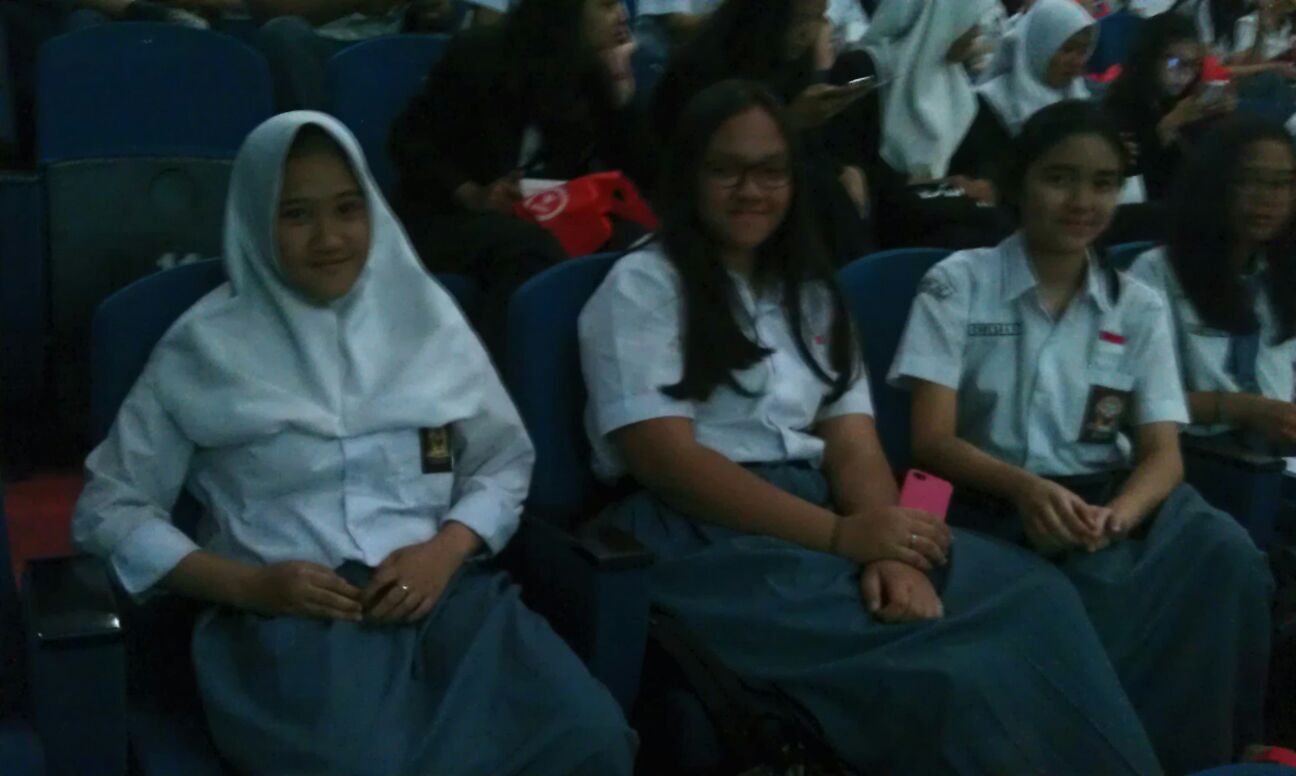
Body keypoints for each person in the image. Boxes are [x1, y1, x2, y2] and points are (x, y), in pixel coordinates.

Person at [581, 78, 1166, 775]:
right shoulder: (643, 286)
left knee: (1041, 599)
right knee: (950, 670)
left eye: (771, 170)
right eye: (726, 170)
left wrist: (890, 548)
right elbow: (666, 461)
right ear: (688, 176)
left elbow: (853, 439)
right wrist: (842, 538)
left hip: (828, 508)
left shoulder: (809, 290)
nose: (752, 190)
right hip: (708, 529)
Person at [71, 111, 636, 776]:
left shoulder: (425, 320)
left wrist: (446, 549)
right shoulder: (203, 347)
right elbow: (109, 509)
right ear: (254, 219)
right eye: (296, 215)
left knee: (590, 736)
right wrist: (248, 586)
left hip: (444, 597)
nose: (330, 238)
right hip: (289, 621)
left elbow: (502, 458)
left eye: (347, 208)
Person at [890, 99, 1273, 774]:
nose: (1082, 202)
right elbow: (931, 441)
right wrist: (1025, 489)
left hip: (1102, 499)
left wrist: (1118, 516)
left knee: (1228, 553)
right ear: (1019, 182)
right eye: (1059, 178)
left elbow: (1162, 456)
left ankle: (1203, 757)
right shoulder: (958, 284)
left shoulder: (1136, 305)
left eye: (1103, 183)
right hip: (980, 494)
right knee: (1066, 596)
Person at [390, 0, 644, 351]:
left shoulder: (591, 70)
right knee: (529, 248)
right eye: (606, 5)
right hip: (448, 214)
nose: (622, 15)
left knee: (635, 236)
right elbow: (407, 141)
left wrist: (621, 97)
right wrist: (472, 193)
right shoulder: (479, 54)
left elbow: (636, 173)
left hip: (538, 213)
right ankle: (505, 375)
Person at [650, 0, 874, 264]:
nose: (807, 33)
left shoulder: (794, 65)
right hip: (712, 202)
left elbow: (810, 150)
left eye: (818, 19)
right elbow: (712, 156)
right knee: (820, 192)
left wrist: (843, 168)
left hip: (781, 189)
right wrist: (791, 121)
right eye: (799, 20)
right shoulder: (698, 68)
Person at [1129, 116, 1296, 454]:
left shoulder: (1283, 273)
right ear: (1213, 183)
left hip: (1279, 455)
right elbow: (1132, 403)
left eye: (1282, 184)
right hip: (1196, 455)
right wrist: (1248, 409)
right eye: (1249, 181)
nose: (1267, 198)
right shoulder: (1156, 272)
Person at [828, 0, 1014, 249]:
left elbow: (978, 161)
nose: (975, 32)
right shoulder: (860, 70)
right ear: (941, 20)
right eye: (970, 22)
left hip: (944, 212)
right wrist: (930, 185)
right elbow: (845, 161)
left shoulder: (954, 82)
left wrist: (980, 184)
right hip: (885, 216)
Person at [1105, 11, 1235, 200]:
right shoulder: (1120, 106)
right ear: (1149, 57)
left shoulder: (1182, 101)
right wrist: (1167, 127)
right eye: (1174, 62)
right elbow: (1131, 179)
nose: (1185, 74)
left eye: (1193, 64)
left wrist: (1219, 119)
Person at [978, 0, 1096, 137]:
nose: (1076, 62)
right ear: (1038, 47)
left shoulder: (1079, 99)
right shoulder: (990, 105)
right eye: (1067, 49)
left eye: (1083, 52)